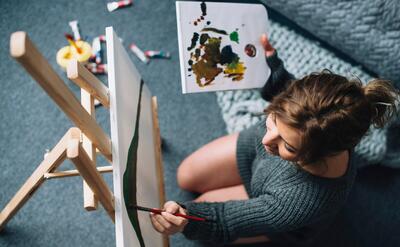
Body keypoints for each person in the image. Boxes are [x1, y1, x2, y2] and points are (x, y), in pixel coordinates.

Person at [149, 34, 399, 245]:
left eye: (288, 145)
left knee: (198, 209)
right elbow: (287, 90)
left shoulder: (300, 202)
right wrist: (272, 65)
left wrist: (185, 219)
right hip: (257, 163)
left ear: (322, 152)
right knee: (185, 175)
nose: (267, 140)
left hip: (276, 204)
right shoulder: (318, 119)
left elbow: (223, 219)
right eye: (273, 120)